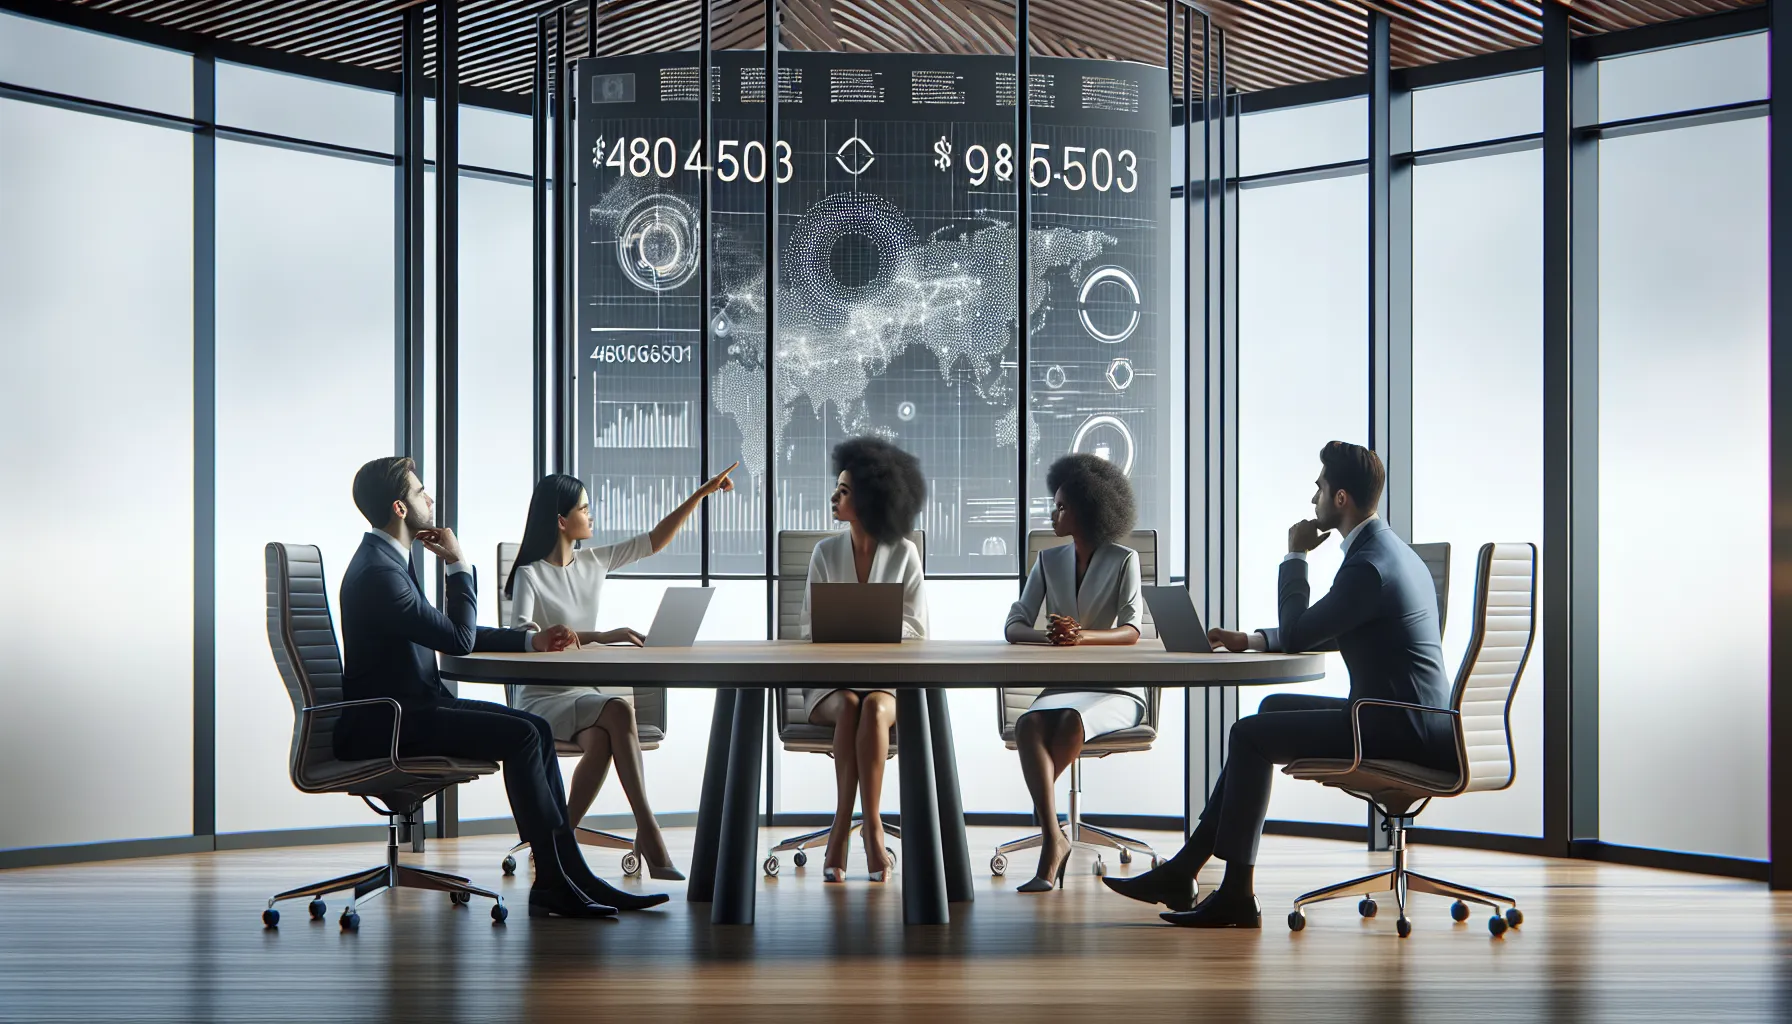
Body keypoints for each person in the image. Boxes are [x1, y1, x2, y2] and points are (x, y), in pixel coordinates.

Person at [1101, 441, 1454, 927]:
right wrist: (1249, 639)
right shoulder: (1390, 553)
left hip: (1395, 727)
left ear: (1342, 499)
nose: (1314, 497)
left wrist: (1294, 555)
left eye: (1320, 488)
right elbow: (1332, 628)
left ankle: (1234, 895)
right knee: (1268, 712)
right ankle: (1186, 871)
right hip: (1410, 718)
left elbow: (1300, 631)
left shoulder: (1368, 566)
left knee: (1248, 734)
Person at [332, 456, 669, 919]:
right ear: (400, 508)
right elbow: (458, 637)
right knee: (528, 734)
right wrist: (458, 564)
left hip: (407, 711)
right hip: (393, 723)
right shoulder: (382, 573)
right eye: (419, 492)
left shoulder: (387, 561)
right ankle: (555, 879)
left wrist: (531, 640)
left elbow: (444, 628)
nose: (429, 497)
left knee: (533, 730)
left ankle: (571, 874)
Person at [505, 463, 737, 881]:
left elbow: (653, 542)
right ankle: (649, 831)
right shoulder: (529, 574)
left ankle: (558, 843)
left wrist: (701, 494)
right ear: (561, 520)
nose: (591, 516)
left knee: (602, 737)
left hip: (581, 693)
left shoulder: (593, 561)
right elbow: (524, 634)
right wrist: (602, 634)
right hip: (542, 695)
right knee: (619, 711)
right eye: (584, 508)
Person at [1003, 454, 1144, 893]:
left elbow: (1132, 629)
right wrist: (1049, 637)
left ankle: (1050, 848)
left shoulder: (1125, 560)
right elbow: (1014, 624)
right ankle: (1056, 835)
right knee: (1028, 724)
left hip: (1116, 690)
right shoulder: (1049, 561)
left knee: (1068, 722)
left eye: (1062, 506)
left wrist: (1082, 637)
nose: (1054, 513)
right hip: (1063, 685)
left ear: (1088, 510)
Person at [797, 437, 929, 883]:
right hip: (831, 686)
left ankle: (869, 827)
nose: (834, 497)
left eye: (845, 491)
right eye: (837, 488)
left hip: (885, 685)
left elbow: (917, 628)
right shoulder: (824, 553)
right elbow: (807, 627)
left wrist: (877, 634)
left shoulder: (905, 554)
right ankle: (842, 825)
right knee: (851, 704)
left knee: (871, 705)